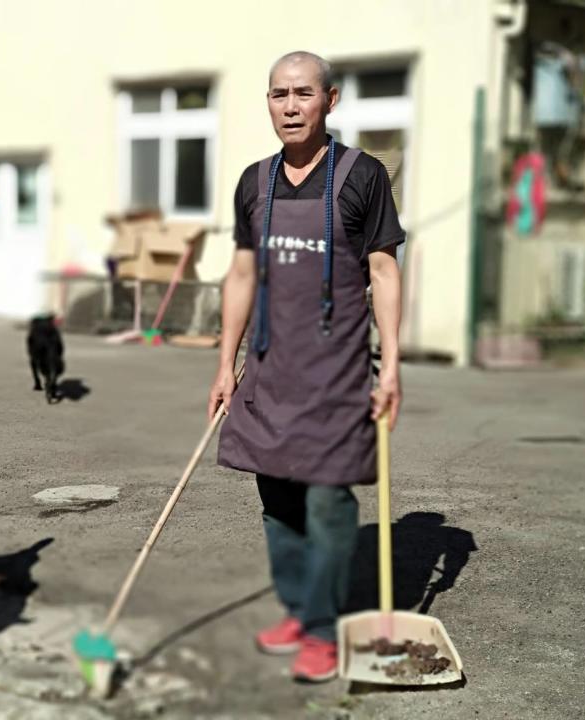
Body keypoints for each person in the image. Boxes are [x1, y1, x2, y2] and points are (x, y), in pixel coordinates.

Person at [208, 51, 404, 683]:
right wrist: (224, 363)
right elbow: (241, 275)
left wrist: (393, 364)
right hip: (269, 371)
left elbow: (383, 270)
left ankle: (322, 628)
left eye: (302, 94)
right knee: (276, 499)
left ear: (330, 100)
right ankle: (298, 607)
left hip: (337, 374)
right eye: (277, 95)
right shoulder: (253, 182)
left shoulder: (362, 175)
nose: (290, 107)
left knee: (327, 501)